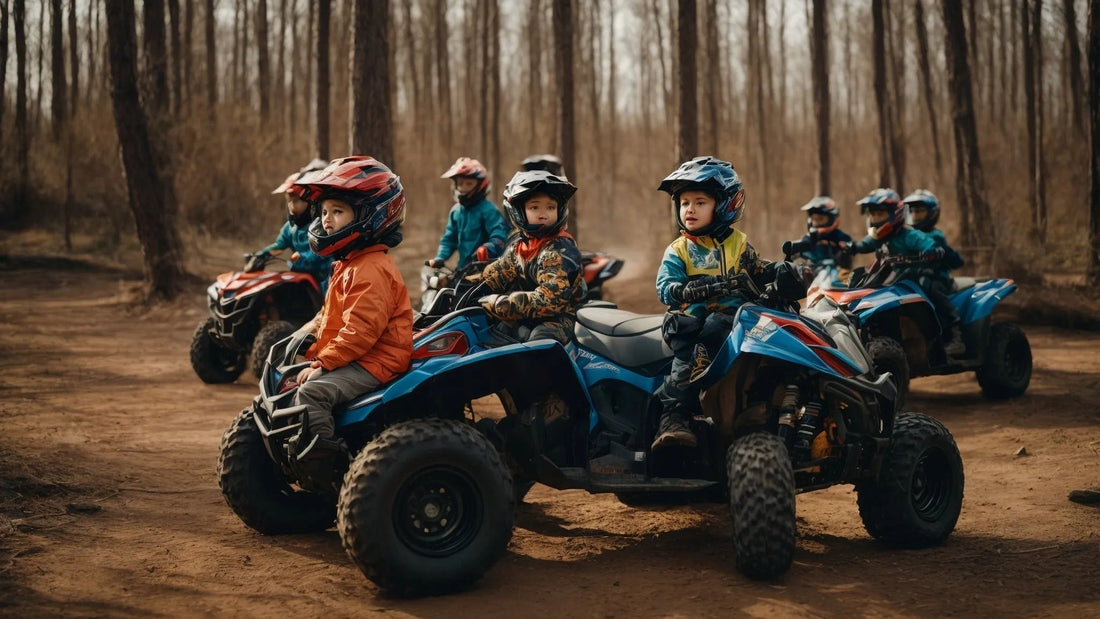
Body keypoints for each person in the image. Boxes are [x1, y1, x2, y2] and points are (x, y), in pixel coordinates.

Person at [287, 156, 413, 491]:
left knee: (312, 393)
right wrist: (304, 337)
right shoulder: (349, 263)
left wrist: (324, 363)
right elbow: (329, 315)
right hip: (357, 354)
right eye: (324, 211)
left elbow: (361, 330)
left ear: (370, 215)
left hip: (376, 360)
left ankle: (333, 477)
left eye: (338, 212)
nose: (327, 220)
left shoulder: (370, 268)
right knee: (288, 381)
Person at [653, 157, 778, 450]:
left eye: (700, 202)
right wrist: (691, 289)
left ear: (723, 205)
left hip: (738, 318)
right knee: (690, 352)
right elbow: (664, 288)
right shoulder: (679, 250)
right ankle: (674, 419)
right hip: (694, 324)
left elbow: (759, 270)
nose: (690, 209)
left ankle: (759, 406)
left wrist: (785, 271)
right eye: (684, 203)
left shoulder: (739, 244)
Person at [844, 188, 964, 355]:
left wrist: (931, 251)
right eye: (873, 214)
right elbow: (865, 244)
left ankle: (954, 332)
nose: (876, 218)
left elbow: (928, 244)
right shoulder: (880, 236)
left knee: (928, 286)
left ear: (895, 214)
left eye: (880, 214)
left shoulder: (909, 234)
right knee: (863, 281)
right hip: (900, 276)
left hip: (928, 275)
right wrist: (851, 247)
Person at [477, 170, 588, 345]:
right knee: (492, 331)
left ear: (560, 210)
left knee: (541, 339)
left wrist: (503, 304)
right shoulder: (521, 246)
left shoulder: (559, 248)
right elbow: (497, 273)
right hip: (529, 316)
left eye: (550, 207)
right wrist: (467, 282)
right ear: (519, 211)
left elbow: (550, 300)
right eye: (534, 207)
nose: (543, 213)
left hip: (560, 318)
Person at [261, 158, 334, 292]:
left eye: (297, 201)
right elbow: (278, 246)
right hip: (302, 275)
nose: (292, 206)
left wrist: (302, 257)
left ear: (310, 202)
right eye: (290, 202)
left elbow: (322, 251)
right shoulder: (290, 228)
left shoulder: (321, 225)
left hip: (323, 274)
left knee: (328, 293)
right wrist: (261, 255)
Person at [426, 157, 509, 270]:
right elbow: (449, 239)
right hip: (463, 267)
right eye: (460, 183)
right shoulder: (456, 211)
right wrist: (440, 257)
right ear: (455, 185)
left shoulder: (489, 210)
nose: (463, 187)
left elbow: (500, 235)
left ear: (480, 184)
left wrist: (487, 248)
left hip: (487, 268)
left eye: (469, 184)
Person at [783, 196, 853, 271]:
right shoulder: (809, 238)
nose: (817, 223)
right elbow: (802, 245)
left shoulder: (839, 236)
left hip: (835, 274)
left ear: (831, 218)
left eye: (821, 219)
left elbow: (848, 249)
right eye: (814, 220)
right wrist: (793, 248)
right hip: (812, 274)